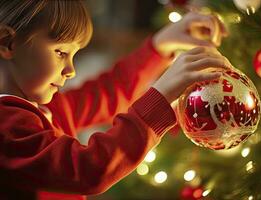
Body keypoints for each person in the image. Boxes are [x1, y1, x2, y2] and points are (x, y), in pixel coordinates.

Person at [0, 0, 232, 199]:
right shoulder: (8, 127)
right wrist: (159, 99)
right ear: (7, 42)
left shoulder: (45, 106)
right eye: (61, 52)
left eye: (73, 55)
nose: (70, 70)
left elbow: (107, 93)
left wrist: (159, 47)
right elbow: (88, 168)